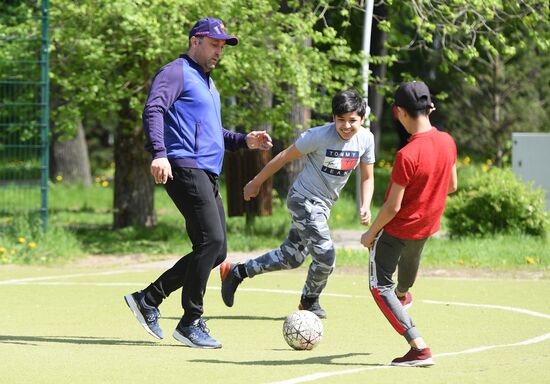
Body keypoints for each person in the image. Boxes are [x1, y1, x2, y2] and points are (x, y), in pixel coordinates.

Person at [123, 17, 272, 349]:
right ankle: (190, 321)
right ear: (195, 42)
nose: (219, 51)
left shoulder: (207, 83)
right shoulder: (176, 71)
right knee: (211, 241)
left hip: (205, 169)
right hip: (183, 165)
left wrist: (243, 140)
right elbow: (153, 109)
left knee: (217, 250)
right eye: (214, 43)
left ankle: (148, 298)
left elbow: (210, 132)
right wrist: (159, 153)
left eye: (222, 46)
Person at [220, 89, 375, 318]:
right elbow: (283, 156)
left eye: (352, 120)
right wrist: (255, 182)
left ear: (362, 119)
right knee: (325, 256)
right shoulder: (318, 136)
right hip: (304, 199)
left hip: (324, 206)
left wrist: (366, 205)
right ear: (333, 118)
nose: (346, 126)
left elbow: (368, 177)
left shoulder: (366, 139)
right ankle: (309, 301)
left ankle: (237, 272)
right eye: (340, 120)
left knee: (291, 257)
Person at [361, 81, 457, 367]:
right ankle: (403, 295)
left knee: (379, 287)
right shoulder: (448, 141)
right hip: (426, 228)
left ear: (399, 112)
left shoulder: (407, 154)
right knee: (403, 280)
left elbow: (393, 206)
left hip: (398, 231)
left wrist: (371, 233)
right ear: (430, 108)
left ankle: (419, 348)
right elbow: (452, 185)